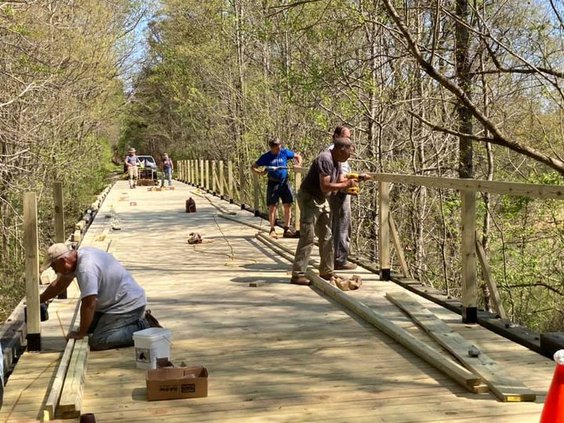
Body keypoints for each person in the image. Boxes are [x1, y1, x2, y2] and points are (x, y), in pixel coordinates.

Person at [39, 243, 161, 350]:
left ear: (63, 261)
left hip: (126, 306)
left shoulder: (86, 269)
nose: (55, 271)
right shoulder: (80, 256)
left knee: (98, 340)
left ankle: (144, 327)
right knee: (89, 328)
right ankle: (133, 323)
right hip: (114, 303)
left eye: (54, 267)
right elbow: (59, 285)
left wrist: (81, 333)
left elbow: (89, 304)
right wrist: (38, 301)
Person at [290, 137, 357, 286]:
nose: (349, 157)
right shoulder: (325, 159)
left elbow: (339, 181)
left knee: (327, 235)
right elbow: (326, 186)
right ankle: (298, 274)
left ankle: (327, 270)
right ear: (340, 150)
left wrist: (353, 183)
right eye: (348, 153)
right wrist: (345, 184)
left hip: (321, 199)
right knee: (308, 236)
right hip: (309, 198)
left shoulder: (337, 161)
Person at [328, 126, 371, 270]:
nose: (348, 140)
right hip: (339, 191)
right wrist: (349, 184)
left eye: (349, 137)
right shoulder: (336, 152)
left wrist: (357, 177)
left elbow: (344, 173)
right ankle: (340, 260)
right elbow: (340, 176)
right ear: (335, 136)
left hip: (340, 189)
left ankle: (337, 257)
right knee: (341, 225)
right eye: (345, 136)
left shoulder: (339, 151)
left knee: (341, 224)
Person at [251, 137, 302, 238]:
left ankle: (286, 229)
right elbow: (253, 167)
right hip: (273, 183)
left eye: (280, 147)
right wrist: (260, 173)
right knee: (272, 206)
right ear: (271, 148)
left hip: (284, 182)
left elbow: (298, 156)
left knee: (287, 204)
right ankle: (272, 229)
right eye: (277, 148)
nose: (279, 149)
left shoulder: (284, 152)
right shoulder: (266, 157)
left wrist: (298, 165)